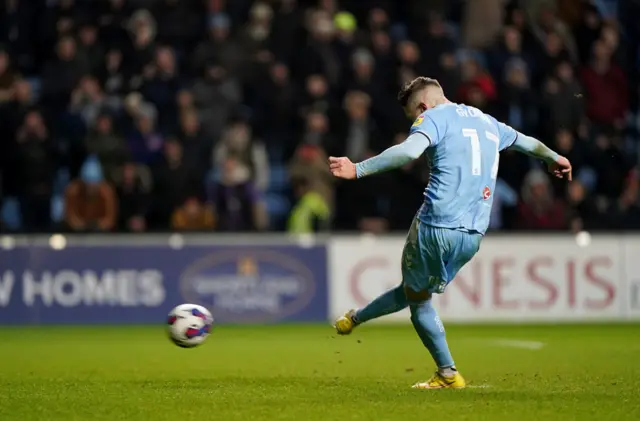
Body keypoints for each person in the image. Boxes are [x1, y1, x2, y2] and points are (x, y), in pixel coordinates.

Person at [328, 77, 572, 389]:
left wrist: (358, 169)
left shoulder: (431, 117)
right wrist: (555, 158)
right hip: (472, 235)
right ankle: (356, 318)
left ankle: (448, 374)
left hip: (435, 227)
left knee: (418, 301)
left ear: (421, 106)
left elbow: (408, 153)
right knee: (415, 291)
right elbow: (528, 144)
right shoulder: (487, 122)